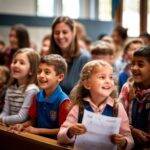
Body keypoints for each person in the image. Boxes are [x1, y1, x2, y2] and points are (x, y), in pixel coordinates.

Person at [58, 60, 134, 149]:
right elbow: (60, 137)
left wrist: (123, 141)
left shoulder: (117, 108)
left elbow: (130, 140)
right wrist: (70, 131)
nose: (108, 81)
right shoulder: (79, 107)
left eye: (110, 77)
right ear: (87, 84)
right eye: (102, 77)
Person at [11, 54, 71, 139]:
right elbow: (33, 121)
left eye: (47, 72)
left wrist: (38, 131)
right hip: (36, 139)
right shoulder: (37, 96)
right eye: (39, 71)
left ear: (60, 77)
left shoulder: (64, 101)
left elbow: (64, 129)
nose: (41, 75)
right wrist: (22, 125)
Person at [49, 16, 91, 94]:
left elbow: (86, 92)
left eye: (65, 32)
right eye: (57, 33)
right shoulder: (50, 58)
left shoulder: (85, 58)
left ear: (73, 33)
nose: (60, 36)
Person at [119, 46, 150, 149]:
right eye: (133, 64)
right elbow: (118, 117)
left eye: (140, 65)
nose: (134, 68)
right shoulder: (127, 88)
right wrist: (131, 130)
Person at [0, 48, 40, 125]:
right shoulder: (10, 88)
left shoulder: (32, 90)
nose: (16, 65)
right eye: (14, 61)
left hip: (23, 131)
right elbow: (5, 112)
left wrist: (3, 120)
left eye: (21, 63)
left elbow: (22, 117)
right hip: (9, 127)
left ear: (31, 70)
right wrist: (2, 118)